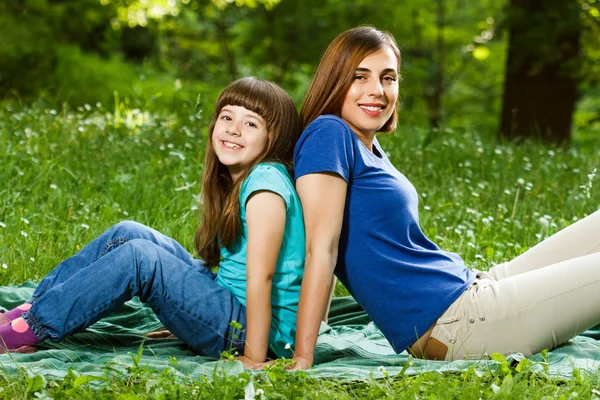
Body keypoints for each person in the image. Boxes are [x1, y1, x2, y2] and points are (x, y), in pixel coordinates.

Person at [289, 25, 600, 369]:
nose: (377, 90)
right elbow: (321, 248)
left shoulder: (365, 142)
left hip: (476, 288)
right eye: (359, 77)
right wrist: (304, 354)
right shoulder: (327, 134)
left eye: (388, 78)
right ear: (334, 80)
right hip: (461, 323)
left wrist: (320, 326)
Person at [0, 77, 305, 368]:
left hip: (253, 332)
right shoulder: (245, 179)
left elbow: (261, 279)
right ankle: (31, 310)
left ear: (273, 138)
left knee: (141, 258)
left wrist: (252, 355)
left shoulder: (266, 187)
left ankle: (26, 329)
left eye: (250, 123)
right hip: (230, 305)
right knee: (128, 232)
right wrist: (189, 315)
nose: (233, 130)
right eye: (227, 117)